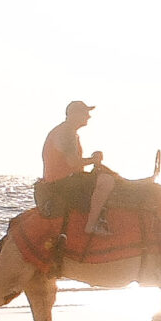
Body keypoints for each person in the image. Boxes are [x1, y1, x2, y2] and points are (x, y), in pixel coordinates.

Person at [41, 101, 116, 237]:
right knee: (107, 181)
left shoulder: (68, 132)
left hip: (65, 180)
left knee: (102, 175)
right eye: (85, 113)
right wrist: (94, 160)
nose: (88, 117)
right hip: (62, 183)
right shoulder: (67, 133)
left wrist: (92, 161)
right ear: (74, 115)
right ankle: (91, 225)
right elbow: (73, 162)